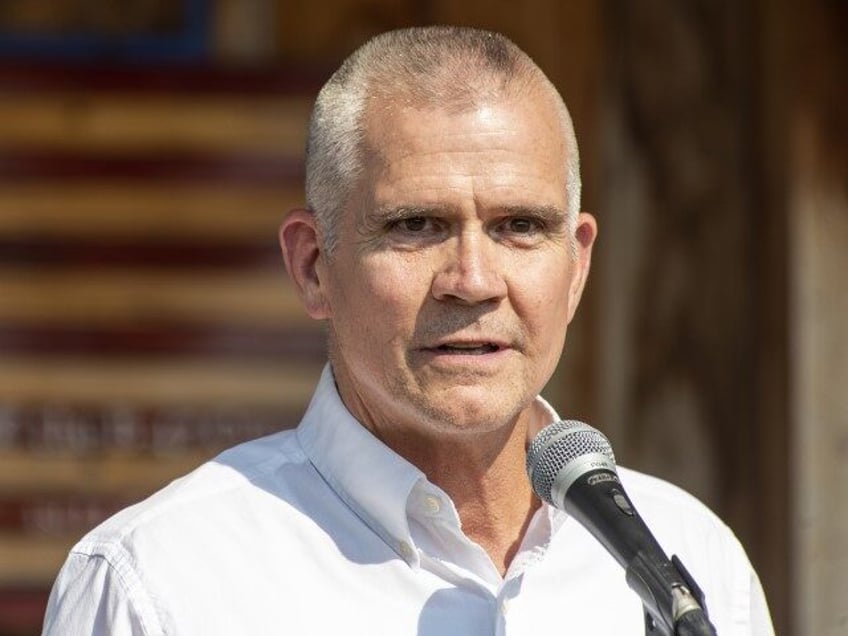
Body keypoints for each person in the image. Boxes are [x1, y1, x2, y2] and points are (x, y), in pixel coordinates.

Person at [43, 26, 774, 635]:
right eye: (416, 226)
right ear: (312, 266)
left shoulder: (688, 560)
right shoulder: (159, 583)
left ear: (577, 266)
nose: (474, 279)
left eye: (520, 227)